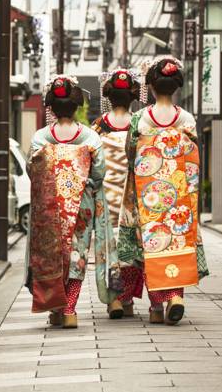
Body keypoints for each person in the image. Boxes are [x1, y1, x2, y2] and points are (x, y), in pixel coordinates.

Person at [25, 75, 121, 328]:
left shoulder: (40, 138)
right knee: (77, 253)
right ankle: (69, 309)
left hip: (49, 204)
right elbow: (99, 173)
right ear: (76, 105)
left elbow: (32, 170)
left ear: (51, 108)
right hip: (82, 202)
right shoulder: (90, 137)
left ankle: (55, 307)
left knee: (51, 255)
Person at [125, 56, 209, 325]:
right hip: (179, 190)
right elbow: (194, 158)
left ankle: (156, 307)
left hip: (147, 190)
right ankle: (176, 296)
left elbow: (131, 153)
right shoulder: (185, 118)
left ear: (150, 86)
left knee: (152, 243)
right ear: (176, 86)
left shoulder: (140, 118)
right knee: (177, 239)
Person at [92, 68, 144, 319]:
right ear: (133, 96)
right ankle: (127, 300)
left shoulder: (98, 126)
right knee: (131, 245)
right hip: (132, 193)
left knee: (108, 244)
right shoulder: (139, 123)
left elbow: (91, 162)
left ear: (109, 97)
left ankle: (114, 299)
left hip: (106, 193)